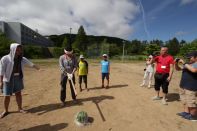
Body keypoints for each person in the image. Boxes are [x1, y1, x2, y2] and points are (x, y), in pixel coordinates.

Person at [0, 43, 40, 118]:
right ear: (12, 50)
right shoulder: (5, 59)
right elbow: (1, 71)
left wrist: (39, 69)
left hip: (18, 77)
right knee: (7, 95)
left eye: (20, 50)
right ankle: (6, 110)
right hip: (8, 79)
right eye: (17, 50)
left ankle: (20, 108)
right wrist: (1, 82)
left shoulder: (21, 58)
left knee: (18, 94)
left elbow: (31, 64)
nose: (19, 51)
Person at [175, 51, 197, 121]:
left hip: (191, 86)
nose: (188, 59)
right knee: (185, 100)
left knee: (191, 102)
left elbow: (194, 70)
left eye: (190, 57)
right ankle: (186, 112)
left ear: (196, 57)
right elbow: (178, 69)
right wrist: (176, 63)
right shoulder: (188, 64)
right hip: (183, 85)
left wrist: (184, 63)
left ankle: (193, 116)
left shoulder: (195, 64)